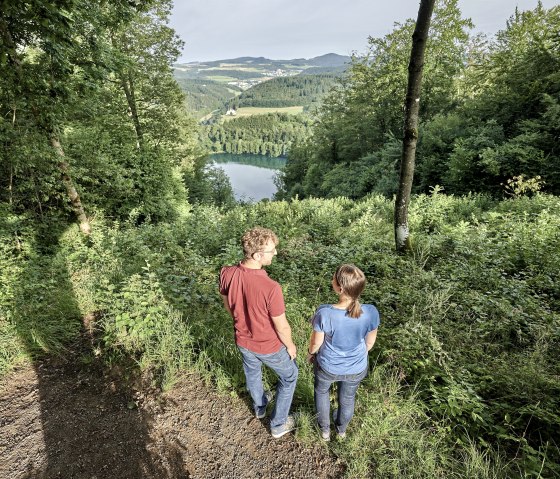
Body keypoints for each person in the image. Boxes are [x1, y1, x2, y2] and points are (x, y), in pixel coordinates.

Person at [219, 227, 299, 439]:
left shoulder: (226, 273)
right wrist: (290, 346)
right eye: (271, 250)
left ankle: (260, 407)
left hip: (242, 340)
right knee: (290, 376)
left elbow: (228, 306)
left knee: (253, 372)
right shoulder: (271, 287)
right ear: (257, 255)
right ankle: (278, 424)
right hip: (268, 345)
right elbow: (282, 326)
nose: (275, 253)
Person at [307, 264, 379, 441]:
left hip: (327, 366)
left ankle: (324, 431)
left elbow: (317, 342)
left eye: (333, 278)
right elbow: (370, 342)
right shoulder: (371, 312)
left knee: (322, 392)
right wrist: (356, 356)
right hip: (356, 368)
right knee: (347, 398)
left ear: (339, 288)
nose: (331, 280)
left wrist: (311, 353)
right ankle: (341, 431)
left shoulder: (325, 313)